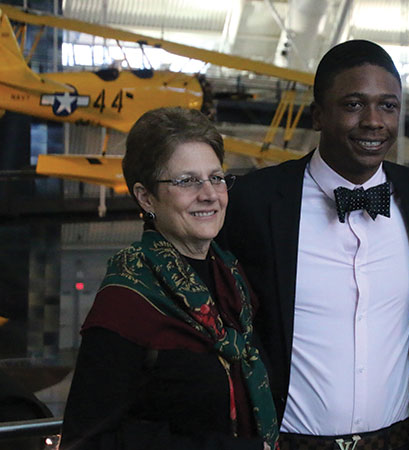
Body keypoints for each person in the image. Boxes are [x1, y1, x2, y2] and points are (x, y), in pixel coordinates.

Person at [221, 40, 409, 450]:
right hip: (287, 442)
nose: (374, 121)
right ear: (318, 116)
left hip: (401, 439)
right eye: (353, 105)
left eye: (388, 106)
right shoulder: (253, 202)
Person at [61, 107, 278, 450]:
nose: (209, 194)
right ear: (146, 198)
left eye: (216, 177)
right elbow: (86, 442)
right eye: (187, 181)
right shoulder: (127, 300)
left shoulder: (232, 279)